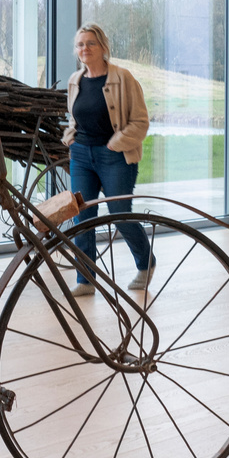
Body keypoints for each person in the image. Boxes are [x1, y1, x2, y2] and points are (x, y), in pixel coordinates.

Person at [62, 23, 153, 296]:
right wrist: (71, 137)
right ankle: (85, 280)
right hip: (81, 156)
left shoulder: (123, 78)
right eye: (80, 44)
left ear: (103, 47)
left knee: (120, 214)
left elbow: (140, 122)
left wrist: (116, 142)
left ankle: (146, 264)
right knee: (83, 217)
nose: (84, 49)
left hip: (114, 156)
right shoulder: (75, 81)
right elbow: (73, 118)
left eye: (90, 43)